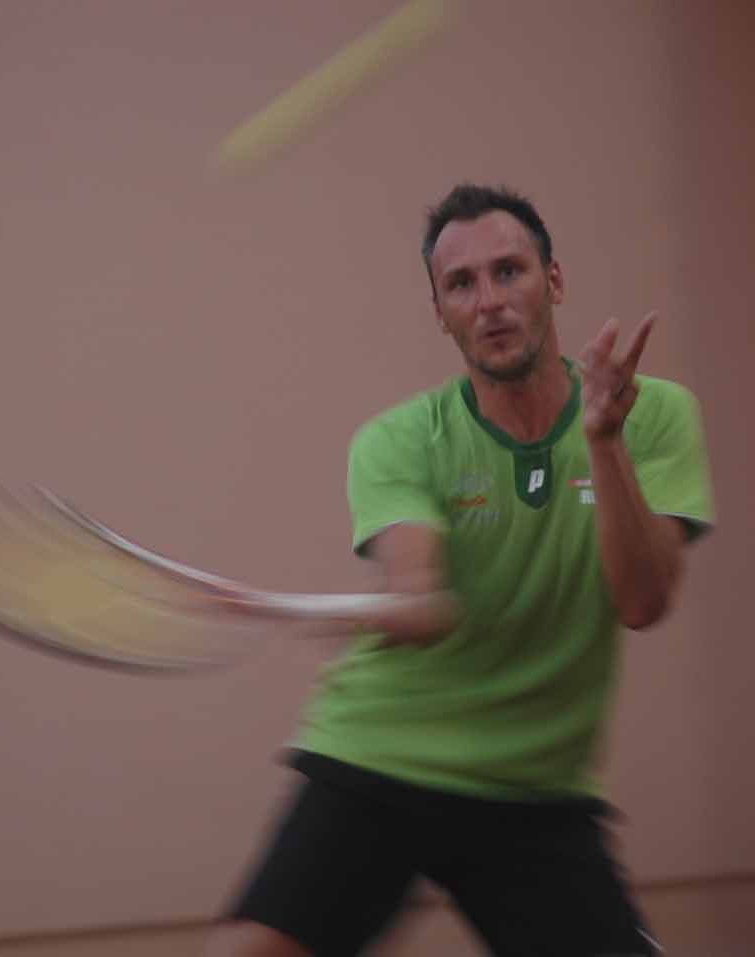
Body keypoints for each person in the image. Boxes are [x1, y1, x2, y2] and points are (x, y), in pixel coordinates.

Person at [207, 184, 715, 957]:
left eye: (509, 271)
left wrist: (605, 442)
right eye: (461, 284)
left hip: (534, 781)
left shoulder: (655, 415)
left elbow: (643, 602)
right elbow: (424, 603)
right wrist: (295, 607)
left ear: (553, 280)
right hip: (383, 754)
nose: (490, 302)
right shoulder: (399, 440)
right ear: (440, 311)